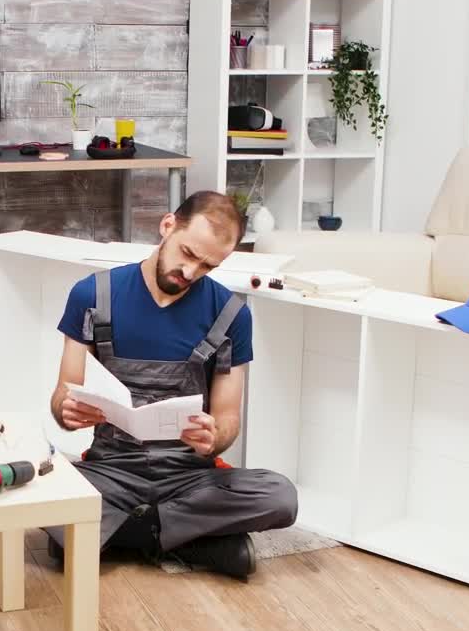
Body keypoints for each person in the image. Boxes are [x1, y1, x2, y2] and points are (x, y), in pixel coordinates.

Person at [44, 190, 298, 580]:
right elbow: (64, 393)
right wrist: (66, 409)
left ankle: (115, 536)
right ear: (167, 226)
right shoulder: (92, 295)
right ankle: (194, 542)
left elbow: (229, 418)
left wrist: (215, 438)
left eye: (208, 266)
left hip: (189, 478)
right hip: (111, 470)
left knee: (280, 496)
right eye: (188, 253)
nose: (191, 271)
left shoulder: (231, 315)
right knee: (42, 492)